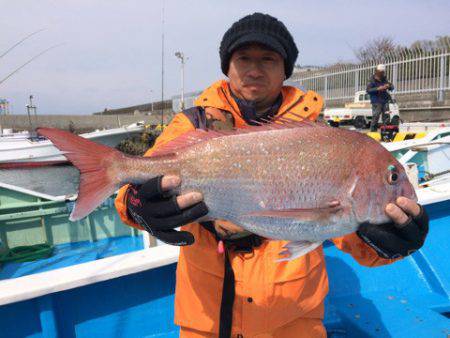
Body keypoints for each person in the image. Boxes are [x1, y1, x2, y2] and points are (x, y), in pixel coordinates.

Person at [115, 13, 428, 338]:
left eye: (268, 59)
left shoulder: (324, 139)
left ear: (285, 70)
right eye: (243, 58)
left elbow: (341, 230)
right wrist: (138, 205)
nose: (254, 69)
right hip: (204, 322)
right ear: (227, 66)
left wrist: (388, 242)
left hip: (292, 324)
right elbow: (136, 187)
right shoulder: (193, 126)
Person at [366, 64, 395, 132]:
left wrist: (389, 86)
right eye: (380, 72)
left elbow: (392, 87)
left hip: (385, 100)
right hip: (376, 101)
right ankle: (373, 131)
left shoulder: (385, 79)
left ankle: (385, 131)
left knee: (386, 116)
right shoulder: (371, 80)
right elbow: (368, 90)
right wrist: (378, 88)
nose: (381, 74)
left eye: (382, 72)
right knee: (376, 116)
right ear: (377, 71)